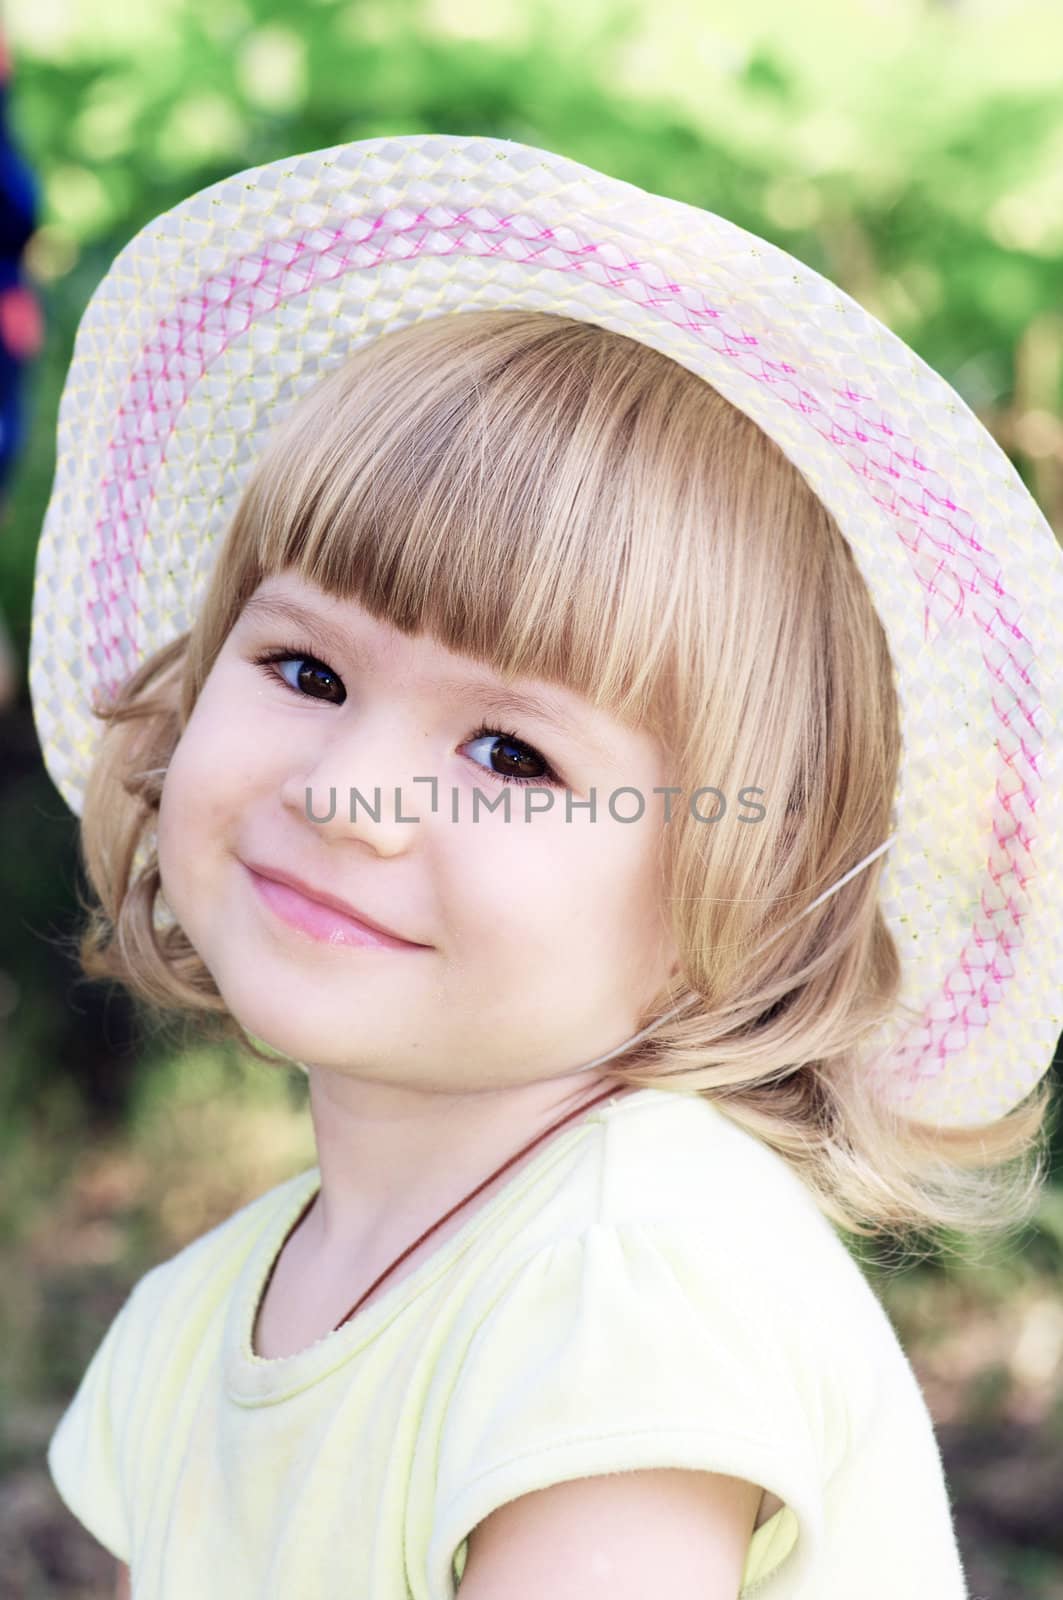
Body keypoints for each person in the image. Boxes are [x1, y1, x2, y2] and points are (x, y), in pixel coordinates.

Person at [31, 133, 1063, 1599]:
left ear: (747, 894)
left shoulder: (633, 1282)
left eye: (513, 757)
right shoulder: (200, 1322)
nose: (348, 797)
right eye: (306, 668)